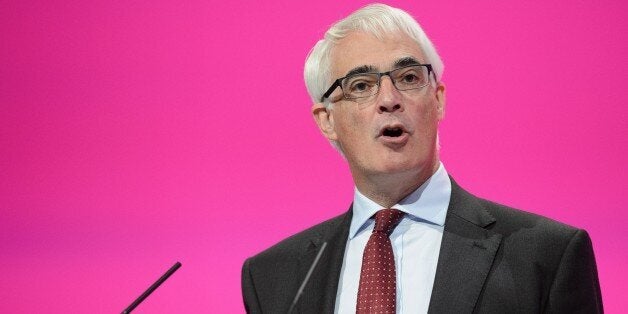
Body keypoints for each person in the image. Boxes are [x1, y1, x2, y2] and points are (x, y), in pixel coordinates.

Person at [241, 4, 603, 313]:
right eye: (361, 85)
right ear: (327, 120)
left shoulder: (545, 256)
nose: (389, 98)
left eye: (409, 77)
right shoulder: (274, 276)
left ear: (438, 99)